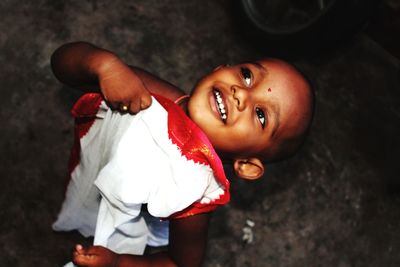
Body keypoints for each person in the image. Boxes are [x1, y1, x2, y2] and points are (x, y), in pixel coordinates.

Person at [51, 42, 314, 267]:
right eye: (247, 75)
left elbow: (179, 263)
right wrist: (102, 64)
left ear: (246, 165)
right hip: (93, 168)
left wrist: (118, 262)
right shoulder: (151, 95)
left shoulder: (195, 194)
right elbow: (61, 65)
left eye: (260, 115)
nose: (241, 94)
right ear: (221, 68)